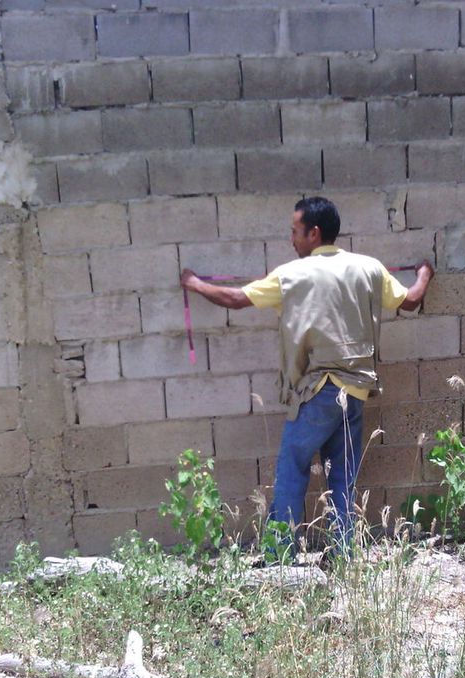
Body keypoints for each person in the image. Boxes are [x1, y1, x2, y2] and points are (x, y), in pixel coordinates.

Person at [180, 196, 433, 552]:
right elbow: (410, 301)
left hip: (317, 392)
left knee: (292, 470)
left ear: (314, 234)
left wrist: (194, 284)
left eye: (295, 231)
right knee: (342, 477)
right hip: (356, 390)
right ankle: (342, 555)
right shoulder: (369, 268)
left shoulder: (290, 275)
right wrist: (424, 275)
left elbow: (235, 299)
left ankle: (279, 554)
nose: (291, 239)